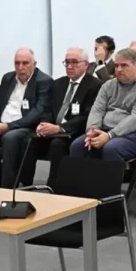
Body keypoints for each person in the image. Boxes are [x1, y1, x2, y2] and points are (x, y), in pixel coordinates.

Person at [0, 48, 53, 188]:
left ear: (34, 64)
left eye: (25, 63)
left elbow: (37, 112)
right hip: (1, 124)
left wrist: (9, 126)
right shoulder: (8, 78)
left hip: (24, 127)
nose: (21, 68)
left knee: (10, 138)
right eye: (17, 63)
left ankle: (7, 186)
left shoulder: (44, 81)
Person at [70, 48, 136, 161]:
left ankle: (109, 179)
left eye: (124, 65)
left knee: (111, 148)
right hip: (104, 130)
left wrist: (110, 135)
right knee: (77, 146)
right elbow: (97, 110)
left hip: (134, 134)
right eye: (116, 66)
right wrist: (92, 130)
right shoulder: (108, 85)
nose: (119, 69)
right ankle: (83, 179)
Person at [31, 48, 101, 188]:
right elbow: (48, 109)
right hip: (52, 129)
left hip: (74, 132)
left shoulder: (95, 85)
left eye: (74, 62)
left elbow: (87, 116)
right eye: (67, 62)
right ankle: (24, 185)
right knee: (30, 140)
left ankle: (53, 187)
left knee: (58, 145)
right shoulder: (58, 84)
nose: (69, 66)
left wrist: (60, 128)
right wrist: (43, 123)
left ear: (86, 65)